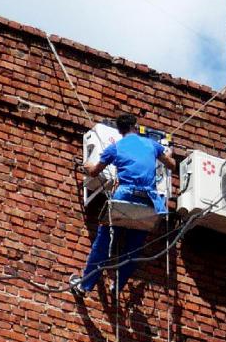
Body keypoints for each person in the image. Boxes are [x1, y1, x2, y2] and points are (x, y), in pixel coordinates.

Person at [71, 113, 176, 296]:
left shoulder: (115, 147)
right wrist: (169, 153)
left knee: (103, 243)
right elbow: (172, 165)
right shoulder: (152, 145)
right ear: (135, 126)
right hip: (149, 203)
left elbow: (95, 172)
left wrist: (86, 166)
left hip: (124, 198)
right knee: (134, 248)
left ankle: (84, 286)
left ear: (119, 131)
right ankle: (117, 286)